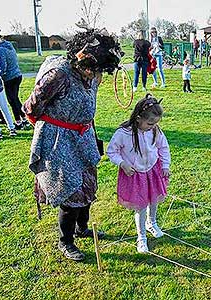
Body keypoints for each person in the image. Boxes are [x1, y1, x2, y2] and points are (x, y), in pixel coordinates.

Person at [23, 29, 123, 261]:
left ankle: (82, 228)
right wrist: (53, 129)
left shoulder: (93, 74)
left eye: (99, 71)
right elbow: (31, 108)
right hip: (58, 141)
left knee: (86, 187)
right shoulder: (58, 75)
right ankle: (65, 241)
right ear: (81, 58)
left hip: (83, 136)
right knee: (70, 191)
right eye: (92, 69)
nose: (95, 75)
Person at [106, 94, 170, 253]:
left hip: (153, 171)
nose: (153, 126)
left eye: (156, 123)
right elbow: (112, 151)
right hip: (135, 174)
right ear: (138, 118)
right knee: (141, 206)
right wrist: (123, 164)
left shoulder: (155, 130)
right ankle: (141, 237)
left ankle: (152, 223)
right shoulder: (123, 133)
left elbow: (163, 148)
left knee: (154, 199)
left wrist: (165, 165)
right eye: (150, 123)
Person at [0, 32, 28, 130]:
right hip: (17, 75)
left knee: (12, 100)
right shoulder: (9, 45)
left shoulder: (0, 50)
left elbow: (2, 67)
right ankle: (25, 119)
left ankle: (18, 122)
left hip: (9, 78)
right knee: (15, 99)